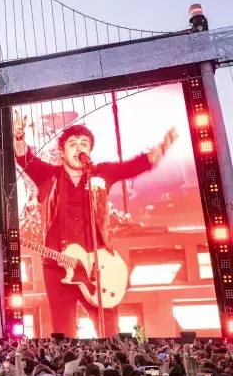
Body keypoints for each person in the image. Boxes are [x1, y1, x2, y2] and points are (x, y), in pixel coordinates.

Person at [14, 114, 177, 337]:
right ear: (62, 151)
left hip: (98, 265)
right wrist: (19, 136)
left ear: (90, 150)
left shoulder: (101, 173)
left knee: (109, 331)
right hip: (57, 265)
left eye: (84, 144)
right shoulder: (49, 175)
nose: (78, 148)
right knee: (63, 331)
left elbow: (131, 167)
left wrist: (159, 150)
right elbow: (25, 159)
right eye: (72, 144)